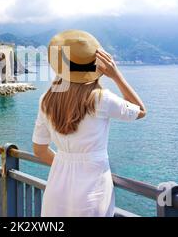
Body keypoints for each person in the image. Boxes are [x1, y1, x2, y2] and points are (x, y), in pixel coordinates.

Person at [32, 30, 147, 217]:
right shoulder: (100, 99)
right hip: (92, 190)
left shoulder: (46, 99)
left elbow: (39, 150)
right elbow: (140, 111)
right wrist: (116, 74)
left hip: (57, 188)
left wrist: (66, 166)